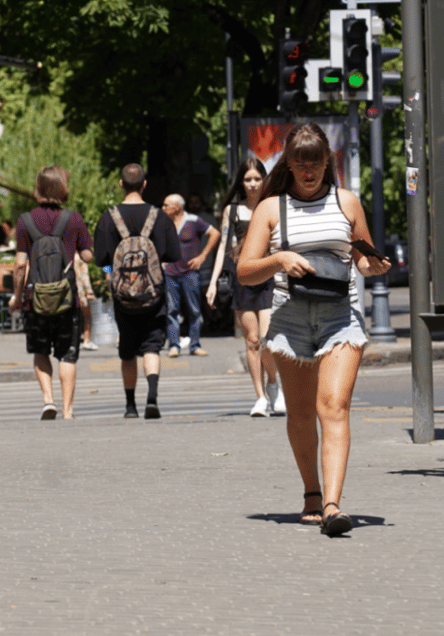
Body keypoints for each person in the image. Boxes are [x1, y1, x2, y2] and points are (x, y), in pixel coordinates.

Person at [236, 123, 391, 536]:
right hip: (291, 317)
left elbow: (361, 257)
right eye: (300, 163)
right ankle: (311, 491)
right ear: (288, 163)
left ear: (329, 162)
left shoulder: (346, 202)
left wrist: (372, 266)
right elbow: (245, 272)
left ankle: (333, 505)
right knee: (302, 414)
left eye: (316, 163)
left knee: (333, 408)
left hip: (342, 314)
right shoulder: (271, 208)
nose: (308, 171)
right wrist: (279, 259)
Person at [93, 164, 181, 419]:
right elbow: (174, 254)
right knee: (152, 346)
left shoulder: (109, 217)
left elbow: (100, 259)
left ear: (121, 184)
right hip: (154, 294)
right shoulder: (159, 216)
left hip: (123, 298)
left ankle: (130, 406)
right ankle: (152, 397)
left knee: (128, 351)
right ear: (144, 185)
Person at [10, 166, 95, 420]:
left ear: (39, 188)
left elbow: (20, 264)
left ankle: (49, 400)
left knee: (40, 350)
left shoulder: (25, 221)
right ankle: (68, 410)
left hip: (34, 299)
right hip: (66, 298)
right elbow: (89, 256)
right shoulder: (74, 219)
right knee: (67, 353)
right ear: (63, 187)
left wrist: (17, 296)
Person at [207, 158, 283, 418]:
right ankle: (261, 397)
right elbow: (223, 247)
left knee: (267, 338)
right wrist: (214, 282)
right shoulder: (233, 211)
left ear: (264, 180)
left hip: (269, 278)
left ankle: (274, 384)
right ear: (241, 182)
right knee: (251, 341)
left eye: (257, 179)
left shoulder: (273, 206)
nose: (252, 184)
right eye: (247, 179)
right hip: (242, 279)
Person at [161, 194, 220, 358]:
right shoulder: (163, 223)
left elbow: (215, 234)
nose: (163, 208)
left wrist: (203, 256)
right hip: (170, 274)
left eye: (166, 205)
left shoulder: (194, 221)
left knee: (194, 310)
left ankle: (195, 345)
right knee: (172, 310)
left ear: (177, 207)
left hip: (190, 273)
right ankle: (174, 345)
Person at [73, 255, 100, 351]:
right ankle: (86, 340)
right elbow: (84, 276)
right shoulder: (81, 258)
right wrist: (89, 291)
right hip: (80, 291)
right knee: (88, 316)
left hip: (69, 290)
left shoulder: (67, 254)